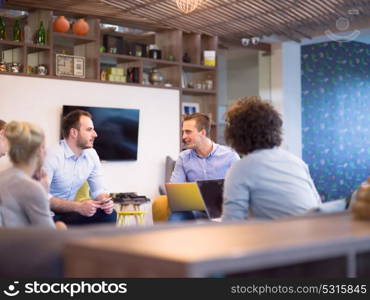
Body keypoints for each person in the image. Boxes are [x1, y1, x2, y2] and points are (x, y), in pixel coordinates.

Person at [222, 96, 321, 221]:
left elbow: (232, 221)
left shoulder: (240, 169)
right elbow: (317, 204)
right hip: (316, 232)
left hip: (283, 237)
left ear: (234, 134)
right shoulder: (296, 162)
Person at [44, 109, 116, 225]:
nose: (95, 134)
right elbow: (42, 197)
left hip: (69, 212)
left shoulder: (91, 155)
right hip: (46, 214)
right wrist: (78, 206)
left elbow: (98, 190)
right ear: (74, 133)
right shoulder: (51, 155)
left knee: (109, 215)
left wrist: (105, 201)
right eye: (89, 130)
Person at [169, 113, 239, 221]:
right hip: (194, 209)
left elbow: (240, 188)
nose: (183, 137)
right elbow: (175, 190)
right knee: (175, 217)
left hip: (222, 209)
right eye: (183, 132)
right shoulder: (183, 158)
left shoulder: (230, 155)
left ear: (202, 132)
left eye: (188, 132)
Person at [0, 121, 56, 227]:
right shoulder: (32, 188)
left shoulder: (2, 177)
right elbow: (49, 236)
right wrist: (44, 193)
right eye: (44, 147)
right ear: (40, 150)